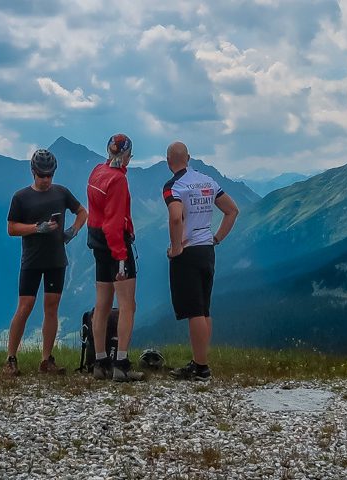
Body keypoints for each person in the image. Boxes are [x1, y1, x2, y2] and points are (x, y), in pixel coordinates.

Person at [2, 149, 86, 377]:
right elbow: (11, 228)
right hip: (31, 260)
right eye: (42, 175)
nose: (47, 179)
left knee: (51, 307)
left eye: (50, 175)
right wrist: (36, 228)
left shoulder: (61, 193)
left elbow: (82, 212)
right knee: (25, 307)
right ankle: (10, 358)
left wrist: (72, 231)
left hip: (56, 260)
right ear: (33, 172)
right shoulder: (21, 197)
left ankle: (46, 360)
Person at [161, 141, 237, 381]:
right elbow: (232, 210)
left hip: (188, 252)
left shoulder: (173, 186)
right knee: (204, 309)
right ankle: (200, 361)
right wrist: (217, 238)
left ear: (168, 161)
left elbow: (175, 218)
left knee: (193, 311)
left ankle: (201, 368)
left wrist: (175, 248)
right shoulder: (208, 181)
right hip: (207, 249)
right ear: (189, 158)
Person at [86, 133, 144, 382]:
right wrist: (121, 258)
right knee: (127, 305)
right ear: (127, 155)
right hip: (115, 245)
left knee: (102, 304)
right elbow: (113, 223)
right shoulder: (118, 181)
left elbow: (97, 213)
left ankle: (100, 362)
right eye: (130, 155)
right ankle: (121, 364)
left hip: (97, 243)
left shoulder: (97, 171)